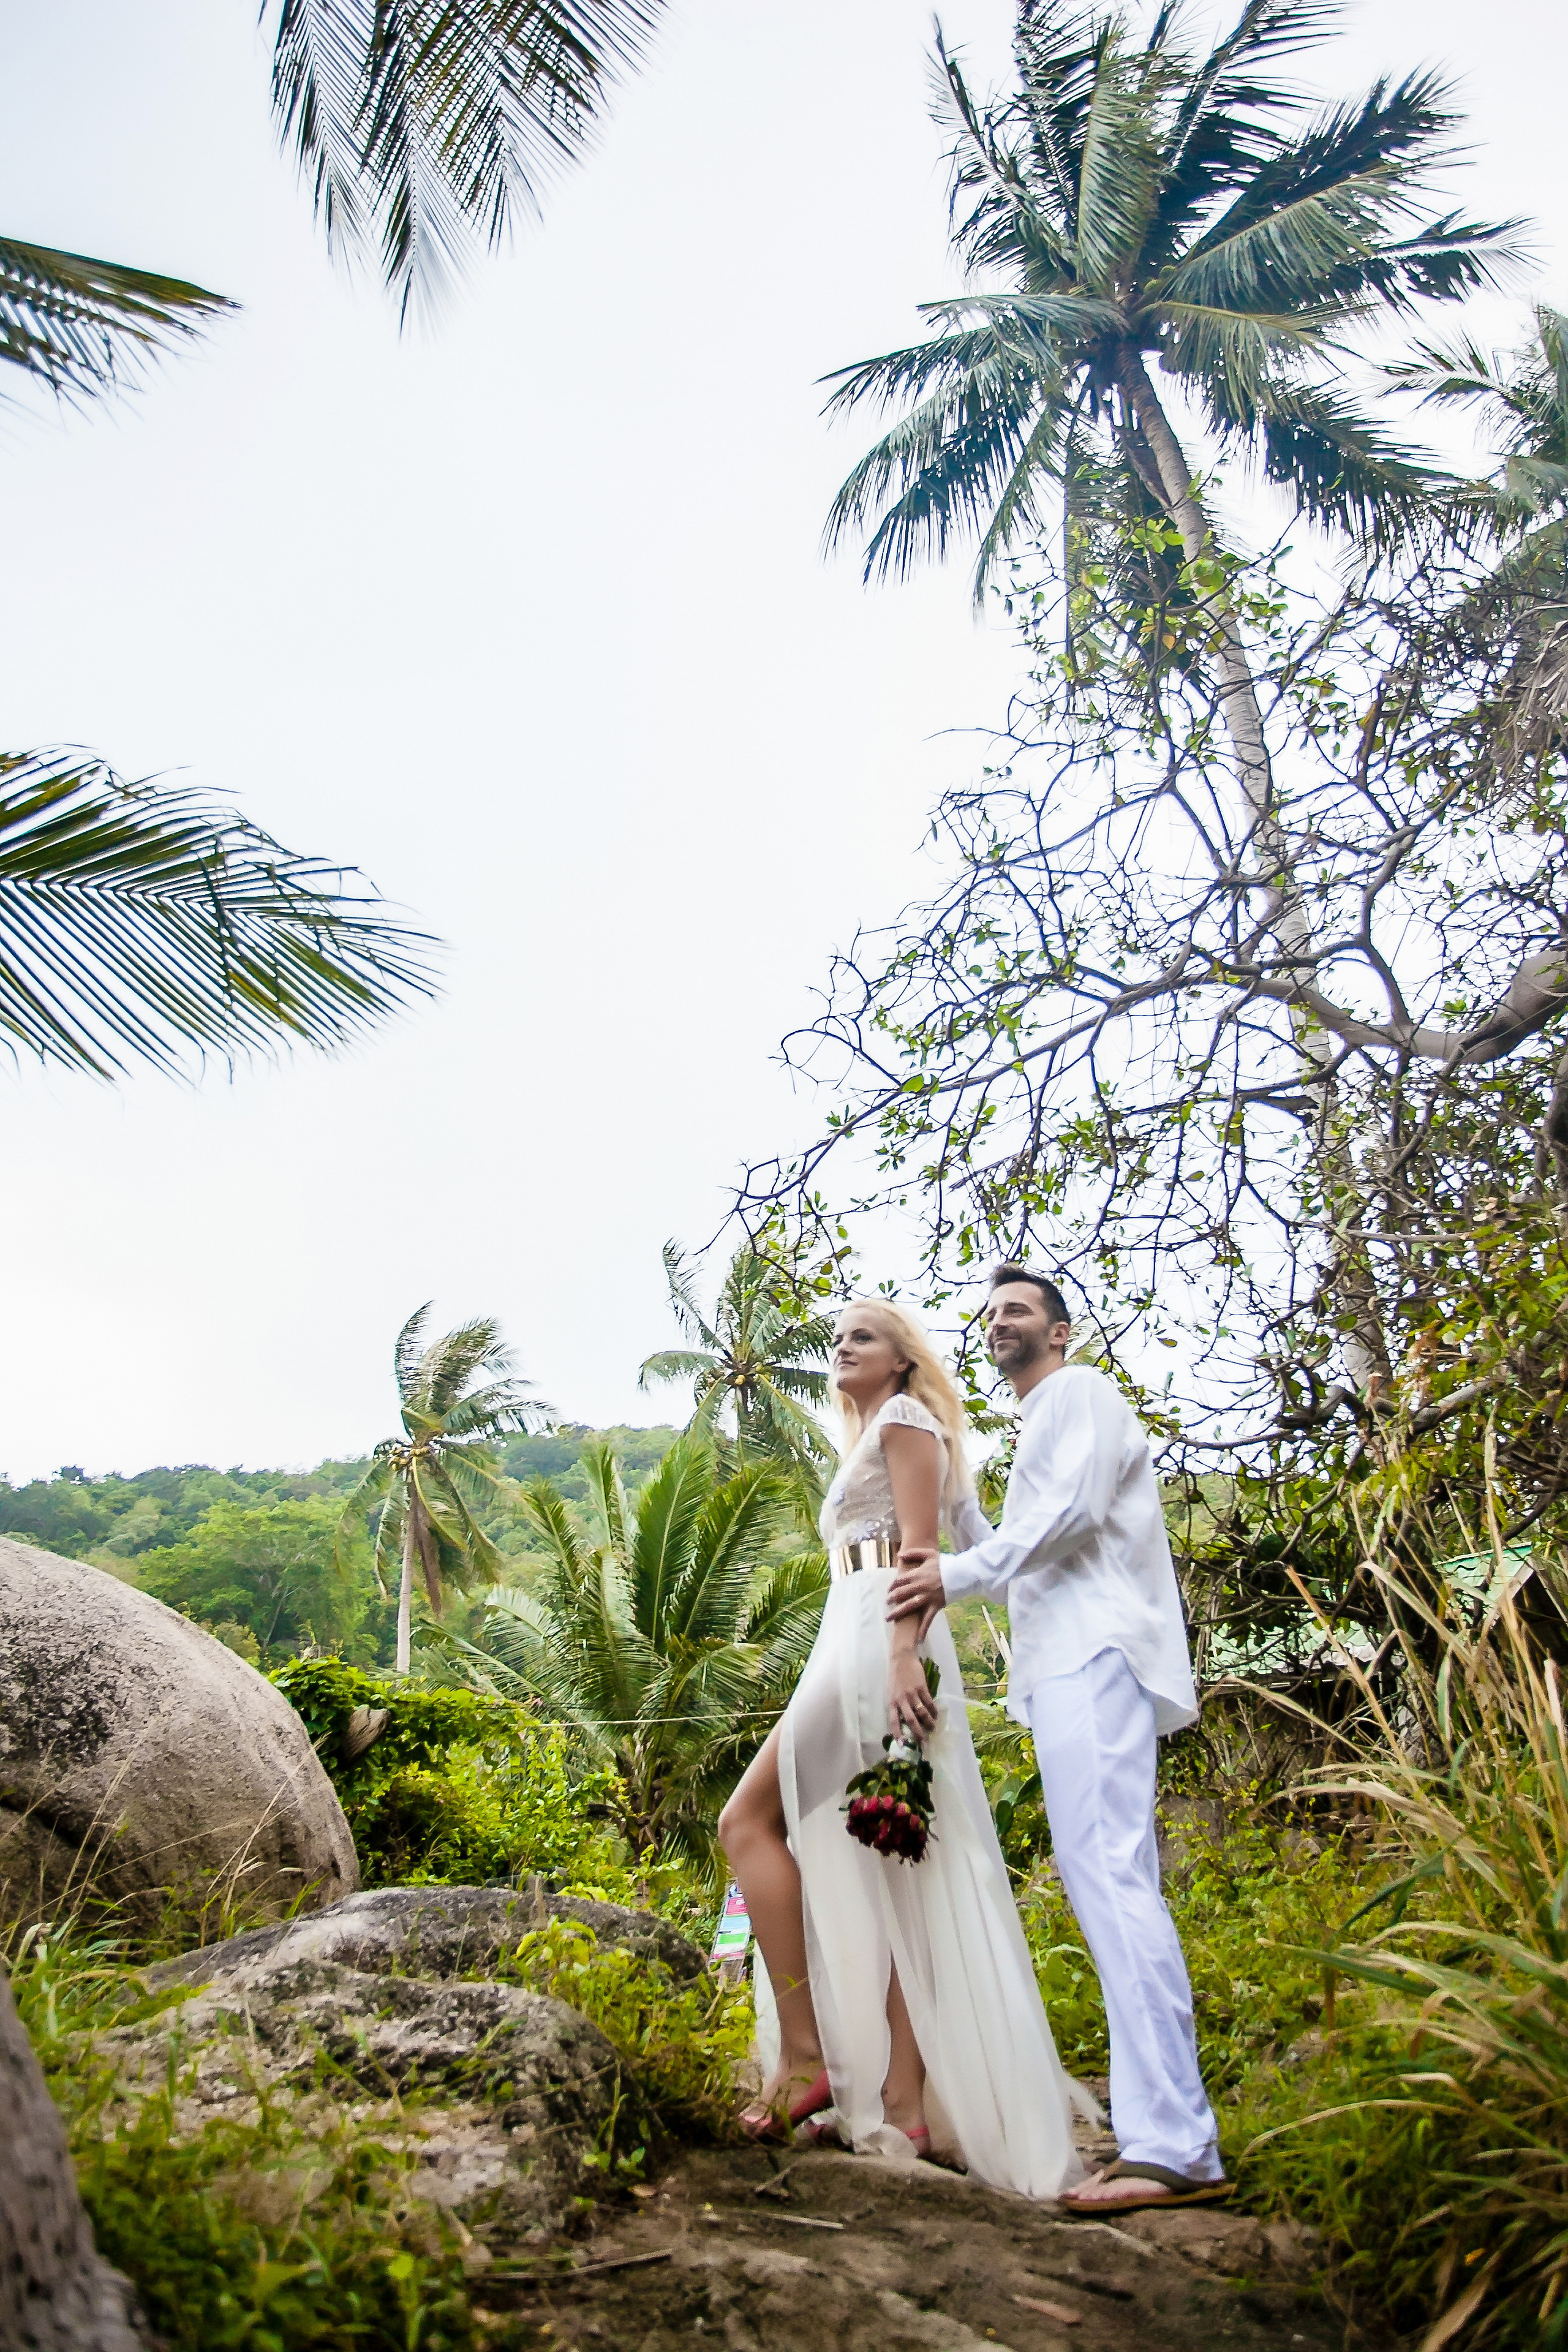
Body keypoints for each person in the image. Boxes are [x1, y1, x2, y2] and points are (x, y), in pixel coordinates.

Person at [718, 1298, 1084, 2195]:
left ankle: (809, 2061)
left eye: (863, 1337)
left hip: (877, 1642)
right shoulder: (874, 1433)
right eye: (838, 1338)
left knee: (748, 1822)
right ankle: (902, 2101)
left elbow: (922, 1554)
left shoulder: (909, 1420)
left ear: (902, 1358)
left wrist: (898, 1661)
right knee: (897, 1864)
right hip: (854, 1636)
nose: (843, 1348)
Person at [886, 1265, 1229, 2214]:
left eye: (1019, 1310)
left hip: (1096, 1655)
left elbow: (1068, 1520)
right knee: (1107, 1884)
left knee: (1112, 1880)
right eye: (991, 1313)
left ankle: (1178, 2146)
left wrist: (950, 1575)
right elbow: (1022, 1557)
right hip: (1071, 1663)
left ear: (1061, 1332)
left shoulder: (1079, 1393)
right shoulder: (1042, 1422)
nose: (999, 1322)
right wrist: (960, 1505)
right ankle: (1160, 2136)